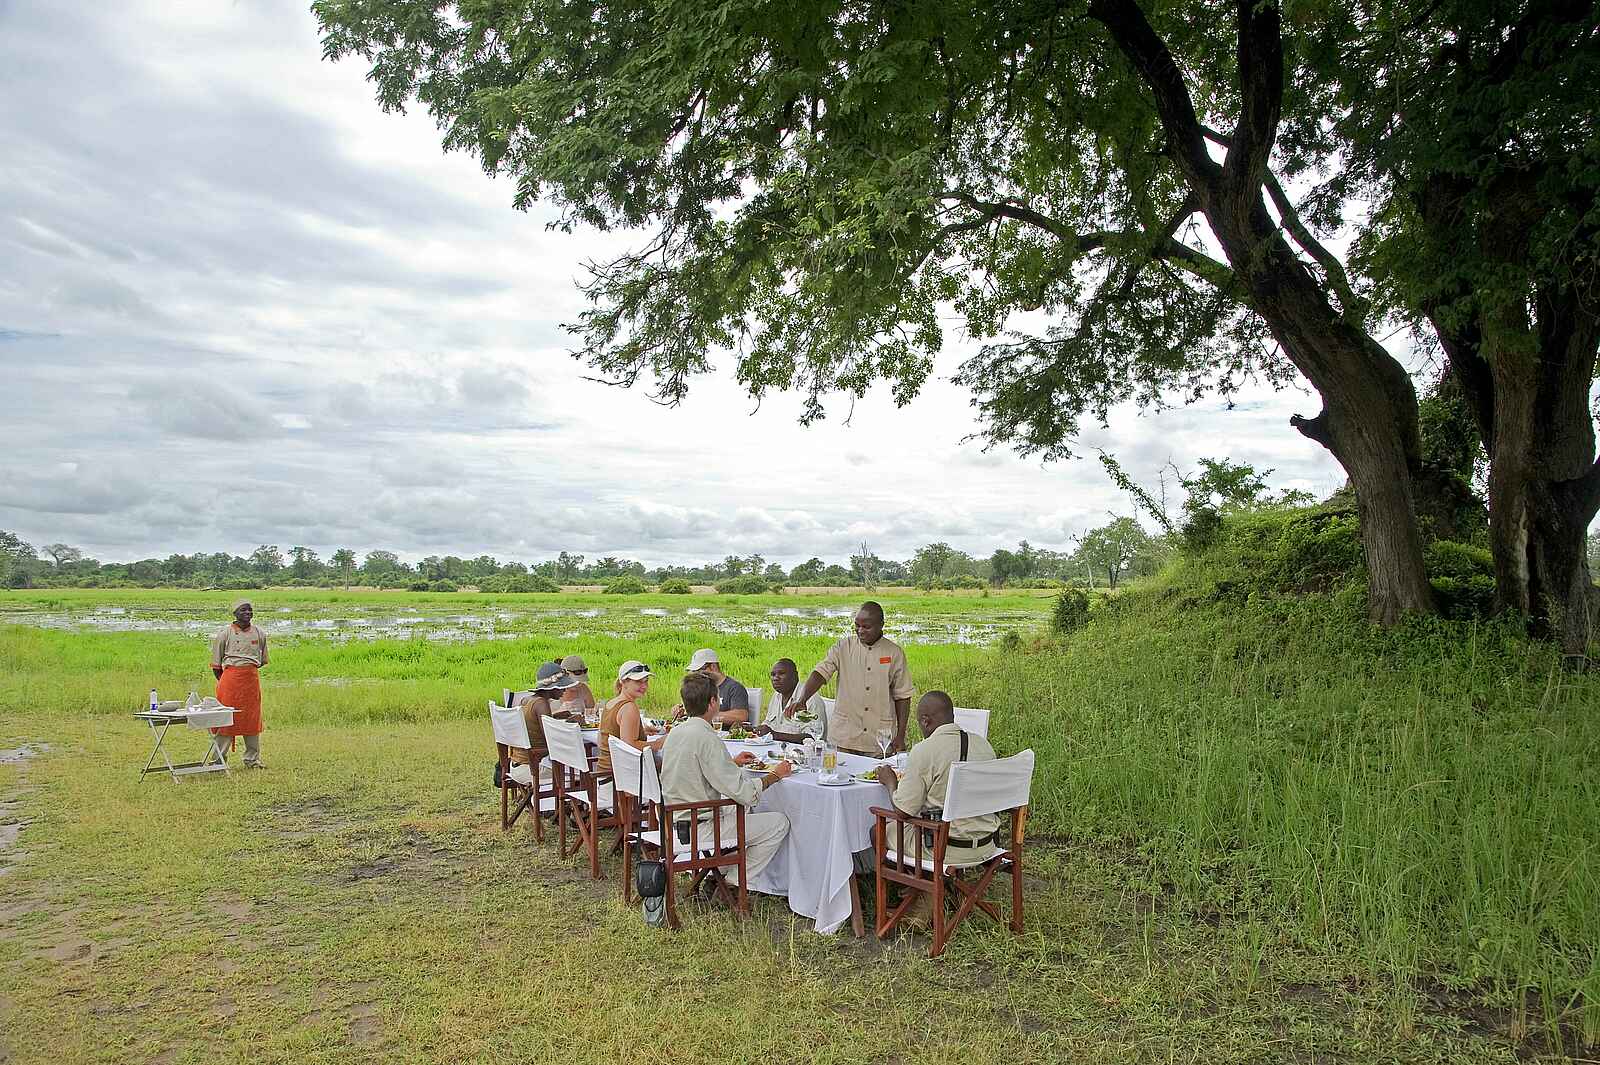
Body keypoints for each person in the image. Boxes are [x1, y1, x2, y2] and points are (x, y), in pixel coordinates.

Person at [875, 691, 1000, 926]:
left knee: (878, 831)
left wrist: (890, 782)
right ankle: (934, 893)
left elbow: (903, 811)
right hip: (986, 844)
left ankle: (920, 897)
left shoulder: (925, 751)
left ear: (925, 721)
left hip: (946, 850)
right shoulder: (983, 745)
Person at [660, 672, 792, 887]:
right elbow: (745, 793)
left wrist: (731, 763)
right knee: (778, 823)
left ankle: (718, 873)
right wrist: (775, 775)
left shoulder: (676, 732)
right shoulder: (707, 737)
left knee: (738, 809)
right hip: (699, 827)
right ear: (713, 702)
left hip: (674, 821)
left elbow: (695, 769)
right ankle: (731, 882)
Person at [787, 601, 913, 754]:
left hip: (878, 741)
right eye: (857, 625)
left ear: (881, 625)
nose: (860, 631)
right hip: (843, 738)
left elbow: (903, 696)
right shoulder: (843, 647)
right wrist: (802, 699)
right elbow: (820, 673)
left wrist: (900, 735)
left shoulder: (894, 653)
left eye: (866, 627)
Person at [209, 599, 268, 768]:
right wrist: (228, 680)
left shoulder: (259, 633)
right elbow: (216, 665)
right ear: (235, 613)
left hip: (251, 681)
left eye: (250, 610)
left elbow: (262, 660)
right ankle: (218, 761)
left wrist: (246, 674)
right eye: (243, 610)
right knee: (225, 718)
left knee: (252, 720)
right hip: (229, 681)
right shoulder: (224, 634)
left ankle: (252, 760)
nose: (248, 613)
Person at [508, 662, 583, 773]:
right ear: (552, 687)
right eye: (562, 687)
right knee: (583, 771)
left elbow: (535, 726)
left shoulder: (526, 700)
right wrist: (570, 723)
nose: (564, 690)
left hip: (517, 764)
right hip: (533, 767)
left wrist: (555, 717)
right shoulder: (541, 704)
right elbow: (551, 738)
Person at [595, 660, 666, 777]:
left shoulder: (610, 703)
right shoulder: (629, 708)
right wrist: (658, 743)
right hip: (619, 780)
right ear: (623, 682)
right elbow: (629, 746)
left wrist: (641, 731)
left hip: (603, 774)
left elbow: (603, 739)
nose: (644, 686)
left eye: (646, 681)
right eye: (638, 682)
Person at [755, 658, 826, 742]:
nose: (775, 678)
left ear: (795, 676)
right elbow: (767, 725)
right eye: (773, 675)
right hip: (776, 750)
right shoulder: (776, 696)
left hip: (802, 752)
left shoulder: (810, 699)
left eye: (781, 673)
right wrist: (753, 730)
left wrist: (775, 735)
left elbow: (813, 737)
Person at [675, 648, 750, 727]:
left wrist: (707, 715)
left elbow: (741, 716)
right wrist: (683, 710)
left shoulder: (734, 688)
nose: (697, 675)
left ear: (713, 666)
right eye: (694, 671)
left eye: (700, 670)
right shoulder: (701, 688)